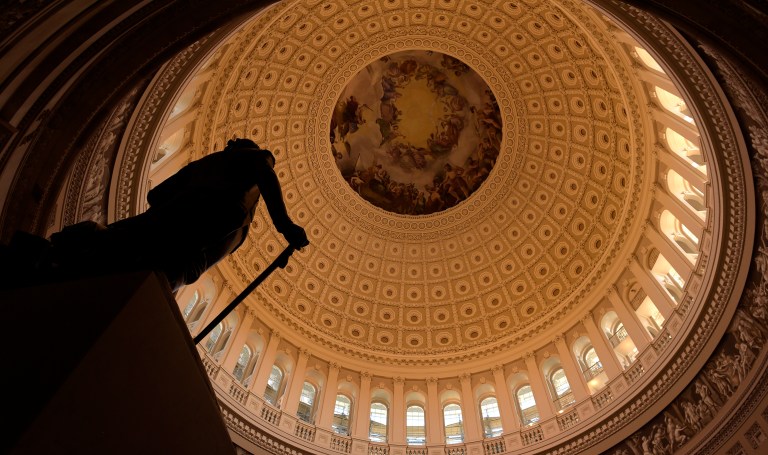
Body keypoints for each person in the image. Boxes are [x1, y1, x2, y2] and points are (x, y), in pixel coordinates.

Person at [5, 138, 308, 291]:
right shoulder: (253, 158)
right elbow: (266, 177)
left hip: (168, 228)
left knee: (109, 247)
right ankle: (55, 259)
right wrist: (285, 226)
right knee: (140, 282)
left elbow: (156, 194)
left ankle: (54, 256)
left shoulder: (206, 164)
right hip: (187, 243)